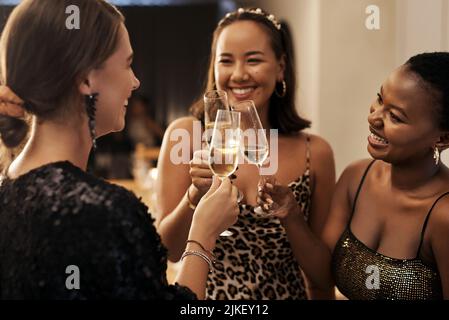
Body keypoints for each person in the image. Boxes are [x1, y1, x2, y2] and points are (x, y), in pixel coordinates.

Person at [0, 0, 239, 299]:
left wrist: (193, 198)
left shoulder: (9, 189)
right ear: (86, 77)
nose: (136, 82)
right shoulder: (105, 213)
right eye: (127, 64)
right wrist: (203, 236)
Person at [156, 7, 335, 299]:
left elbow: (323, 276)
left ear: (280, 67)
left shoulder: (314, 152)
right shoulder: (186, 135)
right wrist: (195, 194)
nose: (238, 75)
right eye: (226, 61)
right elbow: (169, 251)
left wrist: (291, 216)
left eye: (253, 60)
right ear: (214, 68)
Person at [259, 52, 449, 300]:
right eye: (380, 99)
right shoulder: (356, 177)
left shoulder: (443, 215)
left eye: (395, 117)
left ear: (442, 138)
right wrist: (291, 215)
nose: (373, 117)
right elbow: (324, 276)